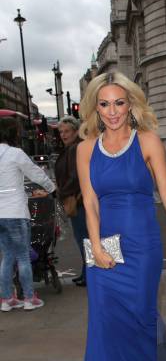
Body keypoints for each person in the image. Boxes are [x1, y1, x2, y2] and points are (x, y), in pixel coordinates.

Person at [71, 71, 166, 361]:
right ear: (95, 108)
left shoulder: (147, 140)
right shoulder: (85, 148)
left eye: (119, 102)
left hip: (143, 243)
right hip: (103, 244)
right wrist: (97, 246)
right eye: (104, 104)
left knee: (141, 313)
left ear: (130, 103)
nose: (113, 111)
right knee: (105, 322)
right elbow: (89, 201)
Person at [0, 137, 56, 311]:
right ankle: (29, 298)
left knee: (7, 256)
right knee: (23, 256)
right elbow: (35, 172)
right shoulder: (15, 154)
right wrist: (51, 188)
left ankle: (7, 299)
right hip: (15, 211)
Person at [54, 116, 88, 286]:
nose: (63, 134)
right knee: (82, 238)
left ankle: (90, 275)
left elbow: (75, 177)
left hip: (79, 200)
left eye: (67, 131)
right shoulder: (70, 148)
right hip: (76, 199)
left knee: (84, 239)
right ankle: (86, 273)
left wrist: (61, 192)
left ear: (76, 131)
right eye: (61, 132)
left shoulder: (75, 148)